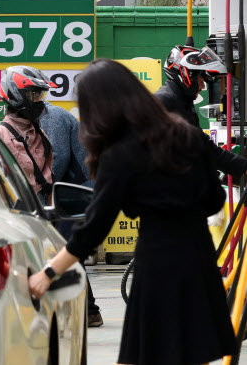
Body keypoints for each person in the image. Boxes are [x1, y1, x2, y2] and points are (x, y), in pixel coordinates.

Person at [29, 58, 236, 365]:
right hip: (199, 257)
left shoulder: (119, 153)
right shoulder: (187, 134)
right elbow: (215, 199)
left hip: (157, 262)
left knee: (143, 354)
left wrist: (47, 274)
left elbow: (95, 227)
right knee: (194, 352)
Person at [39, 101, 103, 327]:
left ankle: (89, 311)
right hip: (68, 193)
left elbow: (57, 159)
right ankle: (88, 311)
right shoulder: (38, 118)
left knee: (66, 248)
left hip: (78, 192)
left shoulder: (51, 117)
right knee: (67, 249)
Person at [155, 45, 247, 178]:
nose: (203, 86)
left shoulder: (182, 102)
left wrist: (243, 166)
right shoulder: (166, 101)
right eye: (201, 80)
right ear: (187, 75)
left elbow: (201, 146)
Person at [0, 65, 54, 202]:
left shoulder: (40, 135)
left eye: (40, 96)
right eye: (34, 95)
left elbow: (48, 179)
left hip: (39, 209)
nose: (39, 101)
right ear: (17, 95)